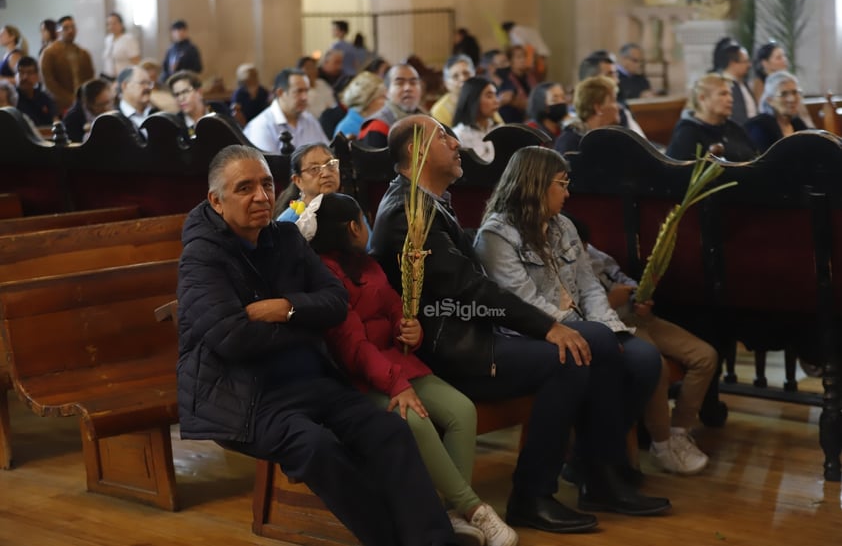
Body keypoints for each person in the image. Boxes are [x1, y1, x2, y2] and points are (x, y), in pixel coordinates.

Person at [371, 115, 671, 534]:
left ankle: (597, 473)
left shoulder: (425, 202)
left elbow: (472, 287)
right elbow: (468, 288)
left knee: (598, 342)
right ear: (415, 151)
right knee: (570, 357)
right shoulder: (407, 211)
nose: (457, 143)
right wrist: (547, 327)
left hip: (468, 335)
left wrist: (551, 327)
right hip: (444, 348)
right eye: (445, 137)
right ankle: (538, 493)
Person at [176, 144, 459, 546]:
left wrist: (286, 308)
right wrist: (308, 324)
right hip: (245, 395)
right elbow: (232, 338)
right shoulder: (200, 259)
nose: (260, 196)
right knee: (318, 448)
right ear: (216, 202)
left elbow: (336, 301)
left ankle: (435, 541)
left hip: (312, 381)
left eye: (266, 184)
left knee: (389, 432)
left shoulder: (286, 238)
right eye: (244, 188)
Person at [298, 191, 518, 546]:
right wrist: (396, 384)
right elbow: (352, 348)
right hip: (359, 379)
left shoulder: (366, 264)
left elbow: (393, 306)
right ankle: (474, 509)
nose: (368, 225)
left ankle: (451, 513)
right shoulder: (326, 274)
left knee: (462, 410)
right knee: (416, 420)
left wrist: (410, 329)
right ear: (354, 227)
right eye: (363, 219)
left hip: (396, 364)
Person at [474, 145, 666, 479]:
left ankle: (586, 458)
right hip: (531, 332)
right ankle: (605, 471)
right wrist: (591, 332)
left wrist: (608, 327)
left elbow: (589, 285)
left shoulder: (563, 225)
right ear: (536, 184)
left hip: (584, 325)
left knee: (646, 360)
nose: (568, 192)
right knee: (602, 348)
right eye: (561, 183)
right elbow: (525, 303)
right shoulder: (496, 234)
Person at [571, 215, 717, 475]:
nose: (583, 252)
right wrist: (610, 301)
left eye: (584, 246)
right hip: (614, 325)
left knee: (705, 356)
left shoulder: (597, 255)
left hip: (640, 317)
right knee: (655, 365)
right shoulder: (564, 265)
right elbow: (575, 315)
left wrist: (642, 296)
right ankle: (661, 444)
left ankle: (679, 432)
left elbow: (625, 281)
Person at [665, 73, 756, 162]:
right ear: (702, 98)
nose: (730, 99)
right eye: (723, 94)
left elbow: (754, 157)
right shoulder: (687, 133)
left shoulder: (734, 129)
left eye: (730, 94)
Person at [243, 68, 329, 152]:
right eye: (299, 91)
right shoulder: (261, 126)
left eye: (306, 91)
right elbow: (267, 164)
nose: (305, 97)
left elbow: (327, 153)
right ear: (280, 93)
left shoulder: (310, 120)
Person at [358, 63, 425, 148]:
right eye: (399, 83)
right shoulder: (377, 125)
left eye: (413, 82)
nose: (408, 88)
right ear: (386, 91)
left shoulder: (429, 119)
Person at [39, 16, 95, 114]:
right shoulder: (49, 53)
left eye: (73, 27)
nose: (70, 31)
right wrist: (70, 100)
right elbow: (48, 82)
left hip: (82, 103)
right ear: (58, 31)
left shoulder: (83, 53)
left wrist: (85, 99)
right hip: (58, 106)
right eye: (66, 28)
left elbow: (90, 78)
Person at [744, 70, 809, 153]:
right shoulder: (759, 126)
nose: (792, 99)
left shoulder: (798, 124)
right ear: (770, 100)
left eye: (795, 92)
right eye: (784, 94)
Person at [554, 75, 620, 154]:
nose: (618, 107)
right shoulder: (570, 141)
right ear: (598, 108)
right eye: (613, 100)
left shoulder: (609, 138)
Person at [451, 76, 501, 163]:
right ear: (473, 99)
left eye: (495, 95)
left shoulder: (500, 129)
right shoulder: (459, 135)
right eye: (489, 96)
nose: (496, 101)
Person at [167, 70, 229, 138]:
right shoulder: (176, 124)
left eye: (185, 92)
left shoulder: (218, 108)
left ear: (199, 92)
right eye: (176, 95)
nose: (181, 98)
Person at [711, 37, 756, 125]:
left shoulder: (743, 83)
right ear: (733, 63)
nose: (749, 65)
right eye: (746, 61)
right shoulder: (721, 84)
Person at [334, 70, 386, 138]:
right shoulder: (345, 130)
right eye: (382, 97)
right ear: (369, 101)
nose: (386, 101)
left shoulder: (377, 118)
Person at [62, 77, 113, 142]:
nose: (106, 108)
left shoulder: (114, 109)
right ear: (88, 103)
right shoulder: (72, 119)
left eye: (109, 102)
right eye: (101, 105)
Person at [430, 54, 475, 127]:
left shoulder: (483, 99)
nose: (463, 79)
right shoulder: (439, 111)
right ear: (446, 84)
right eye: (455, 76)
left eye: (466, 73)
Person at [495, 45, 535, 123]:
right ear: (510, 61)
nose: (523, 60)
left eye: (524, 56)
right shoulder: (506, 80)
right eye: (519, 57)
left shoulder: (530, 76)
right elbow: (509, 99)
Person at [14, 56, 58, 127]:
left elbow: (56, 122)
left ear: (38, 76)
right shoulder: (11, 98)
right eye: (21, 72)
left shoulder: (45, 99)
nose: (25, 77)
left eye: (30, 73)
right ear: (15, 76)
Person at [116, 65, 158, 135]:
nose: (148, 87)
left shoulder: (157, 114)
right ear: (125, 86)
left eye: (149, 83)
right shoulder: (113, 120)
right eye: (142, 83)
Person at [102, 12, 140, 81]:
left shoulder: (128, 39)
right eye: (109, 24)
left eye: (114, 23)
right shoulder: (108, 39)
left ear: (121, 24)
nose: (111, 26)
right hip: (108, 77)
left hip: (124, 78)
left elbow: (136, 62)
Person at [298, 55, 337, 121]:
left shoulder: (322, 83)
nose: (312, 70)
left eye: (313, 67)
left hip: (331, 118)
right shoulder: (300, 91)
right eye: (308, 68)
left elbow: (332, 103)